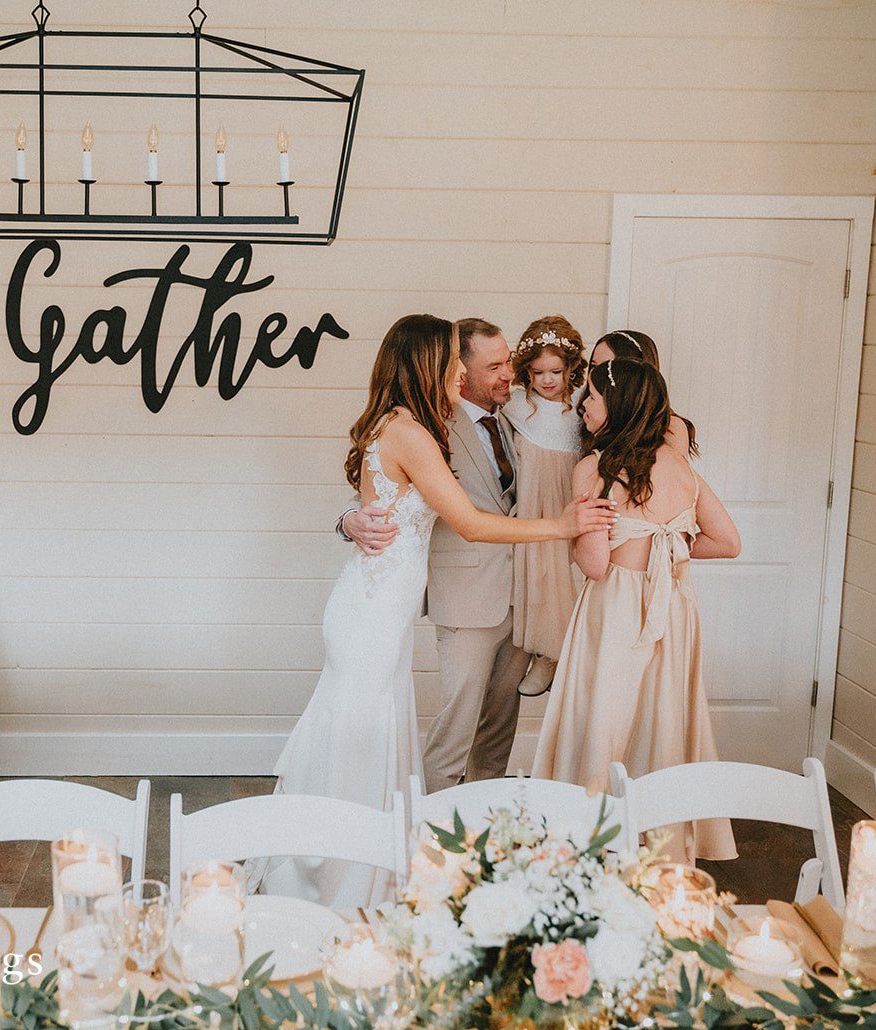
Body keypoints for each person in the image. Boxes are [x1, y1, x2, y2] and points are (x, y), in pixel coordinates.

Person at [263, 314, 616, 907]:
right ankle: (337, 868)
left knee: (370, 727)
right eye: (454, 361)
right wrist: (561, 526)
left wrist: (354, 518)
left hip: (381, 605)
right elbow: (472, 525)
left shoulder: (408, 424)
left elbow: (387, 500)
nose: (462, 371)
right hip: (375, 610)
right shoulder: (413, 433)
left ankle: (369, 854)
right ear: (429, 364)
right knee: (363, 731)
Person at [531, 358, 740, 865]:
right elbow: (729, 541)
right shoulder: (683, 470)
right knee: (664, 716)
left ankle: (587, 842)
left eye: (593, 399)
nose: (583, 407)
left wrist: (579, 542)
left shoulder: (597, 469)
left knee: (605, 712)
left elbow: (597, 564)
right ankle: (661, 847)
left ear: (617, 404)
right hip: (674, 607)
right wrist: (672, 547)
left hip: (619, 608)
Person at [344, 317, 559, 793]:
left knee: (499, 730)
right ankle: (433, 831)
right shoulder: (431, 423)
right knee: (455, 730)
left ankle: (484, 834)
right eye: (495, 366)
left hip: (520, 598)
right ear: (459, 369)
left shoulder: (522, 416)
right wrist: (348, 520)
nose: (510, 374)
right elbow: (386, 489)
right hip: (465, 598)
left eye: (509, 362)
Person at [505, 316, 589, 698]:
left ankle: (563, 654)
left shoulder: (583, 407)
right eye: (538, 372)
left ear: (571, 367)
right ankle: (541, 650)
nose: (548, 380)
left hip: (568, 503)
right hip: (533, 508)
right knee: (536, 576)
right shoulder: (518, 405)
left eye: (556, 371)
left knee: (567, 576)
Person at [587, 329, 697, 456]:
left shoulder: (671, 428)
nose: (595, 374)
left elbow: (672, 474)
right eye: (594, 366)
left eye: (607, 367)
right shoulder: (589, 412)